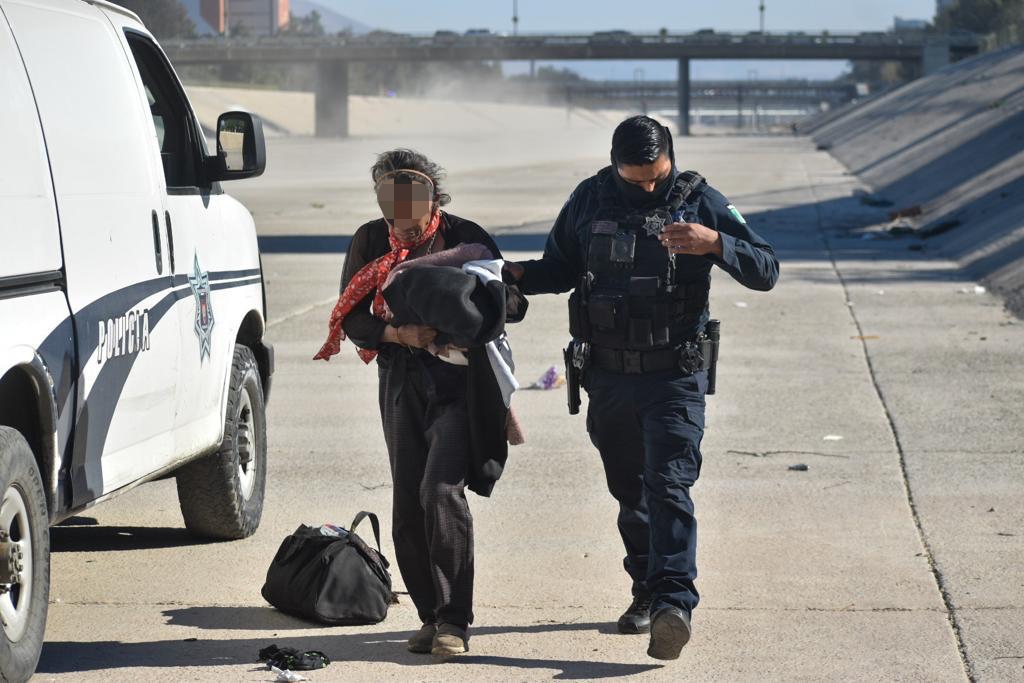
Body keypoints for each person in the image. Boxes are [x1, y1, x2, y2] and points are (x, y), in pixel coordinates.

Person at [504, 116, 779, 660]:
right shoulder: (588, 199)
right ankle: (646, 591)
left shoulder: (702, 200)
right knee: (631, 492)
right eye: (636, 180)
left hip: (674, 375)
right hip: (607, 375)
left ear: (671, 158)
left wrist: (716, 242)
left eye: (656, 177)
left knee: (670, 486)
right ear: (614, 166)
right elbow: (558, 270)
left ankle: (674, 604)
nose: (648, 187)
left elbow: (766, 268)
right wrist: (503, 276)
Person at [314, 149, 524, 656]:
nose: (401, 218)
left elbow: (512, 304)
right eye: (390, 202)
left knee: (440, 491)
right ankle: (430, 615)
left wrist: (466, 307)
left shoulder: (465, 236)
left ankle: (455, 621)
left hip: (458, 384)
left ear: (432, 194)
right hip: (401, 381)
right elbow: (352, 315)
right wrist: (397, 332)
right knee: (407, 504)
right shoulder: (368, 240)